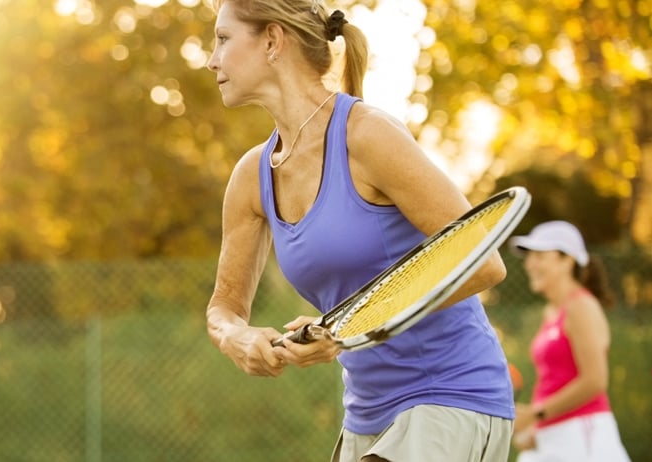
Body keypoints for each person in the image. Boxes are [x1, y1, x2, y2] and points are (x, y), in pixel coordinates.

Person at [202, 0, 515, 460]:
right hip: (365, 417)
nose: (212, 59)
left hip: (450, 397)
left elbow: (484, 264)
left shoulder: (368, 136)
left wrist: (347, 325)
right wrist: (236, 337)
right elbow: (224, 307)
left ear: (272, 40)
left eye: (223, 39)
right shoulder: (252, 177)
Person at [508, 220, 631, 462]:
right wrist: (538, 427)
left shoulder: (581, 306)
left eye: (540, 256)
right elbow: (554, 381)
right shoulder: (551, 312)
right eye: (530, 256)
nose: (530, 264)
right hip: (552, 435)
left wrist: (535, 414)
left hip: (584, 435)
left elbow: (595, 380)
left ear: (567, 260)